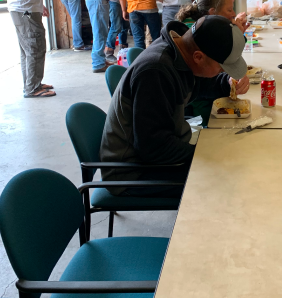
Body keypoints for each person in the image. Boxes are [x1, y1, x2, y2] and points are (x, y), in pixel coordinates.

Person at [100, 15, 249, 197]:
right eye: (222, 68)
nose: (223, 71)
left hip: (159, 149)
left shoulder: (181, 50)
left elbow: (197, 82)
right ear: (198, 57)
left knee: (231, 155)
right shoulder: (155, 72)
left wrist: (226, 82)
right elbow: (154, 148)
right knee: (225, 178)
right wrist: (208, 152)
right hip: (132, 171)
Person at [177, 0, 248, 33]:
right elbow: (225, 54)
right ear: (213, 12)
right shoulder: (196, 32)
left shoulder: (208, 25)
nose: (234, 14)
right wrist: (236, 33)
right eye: (229, 10)